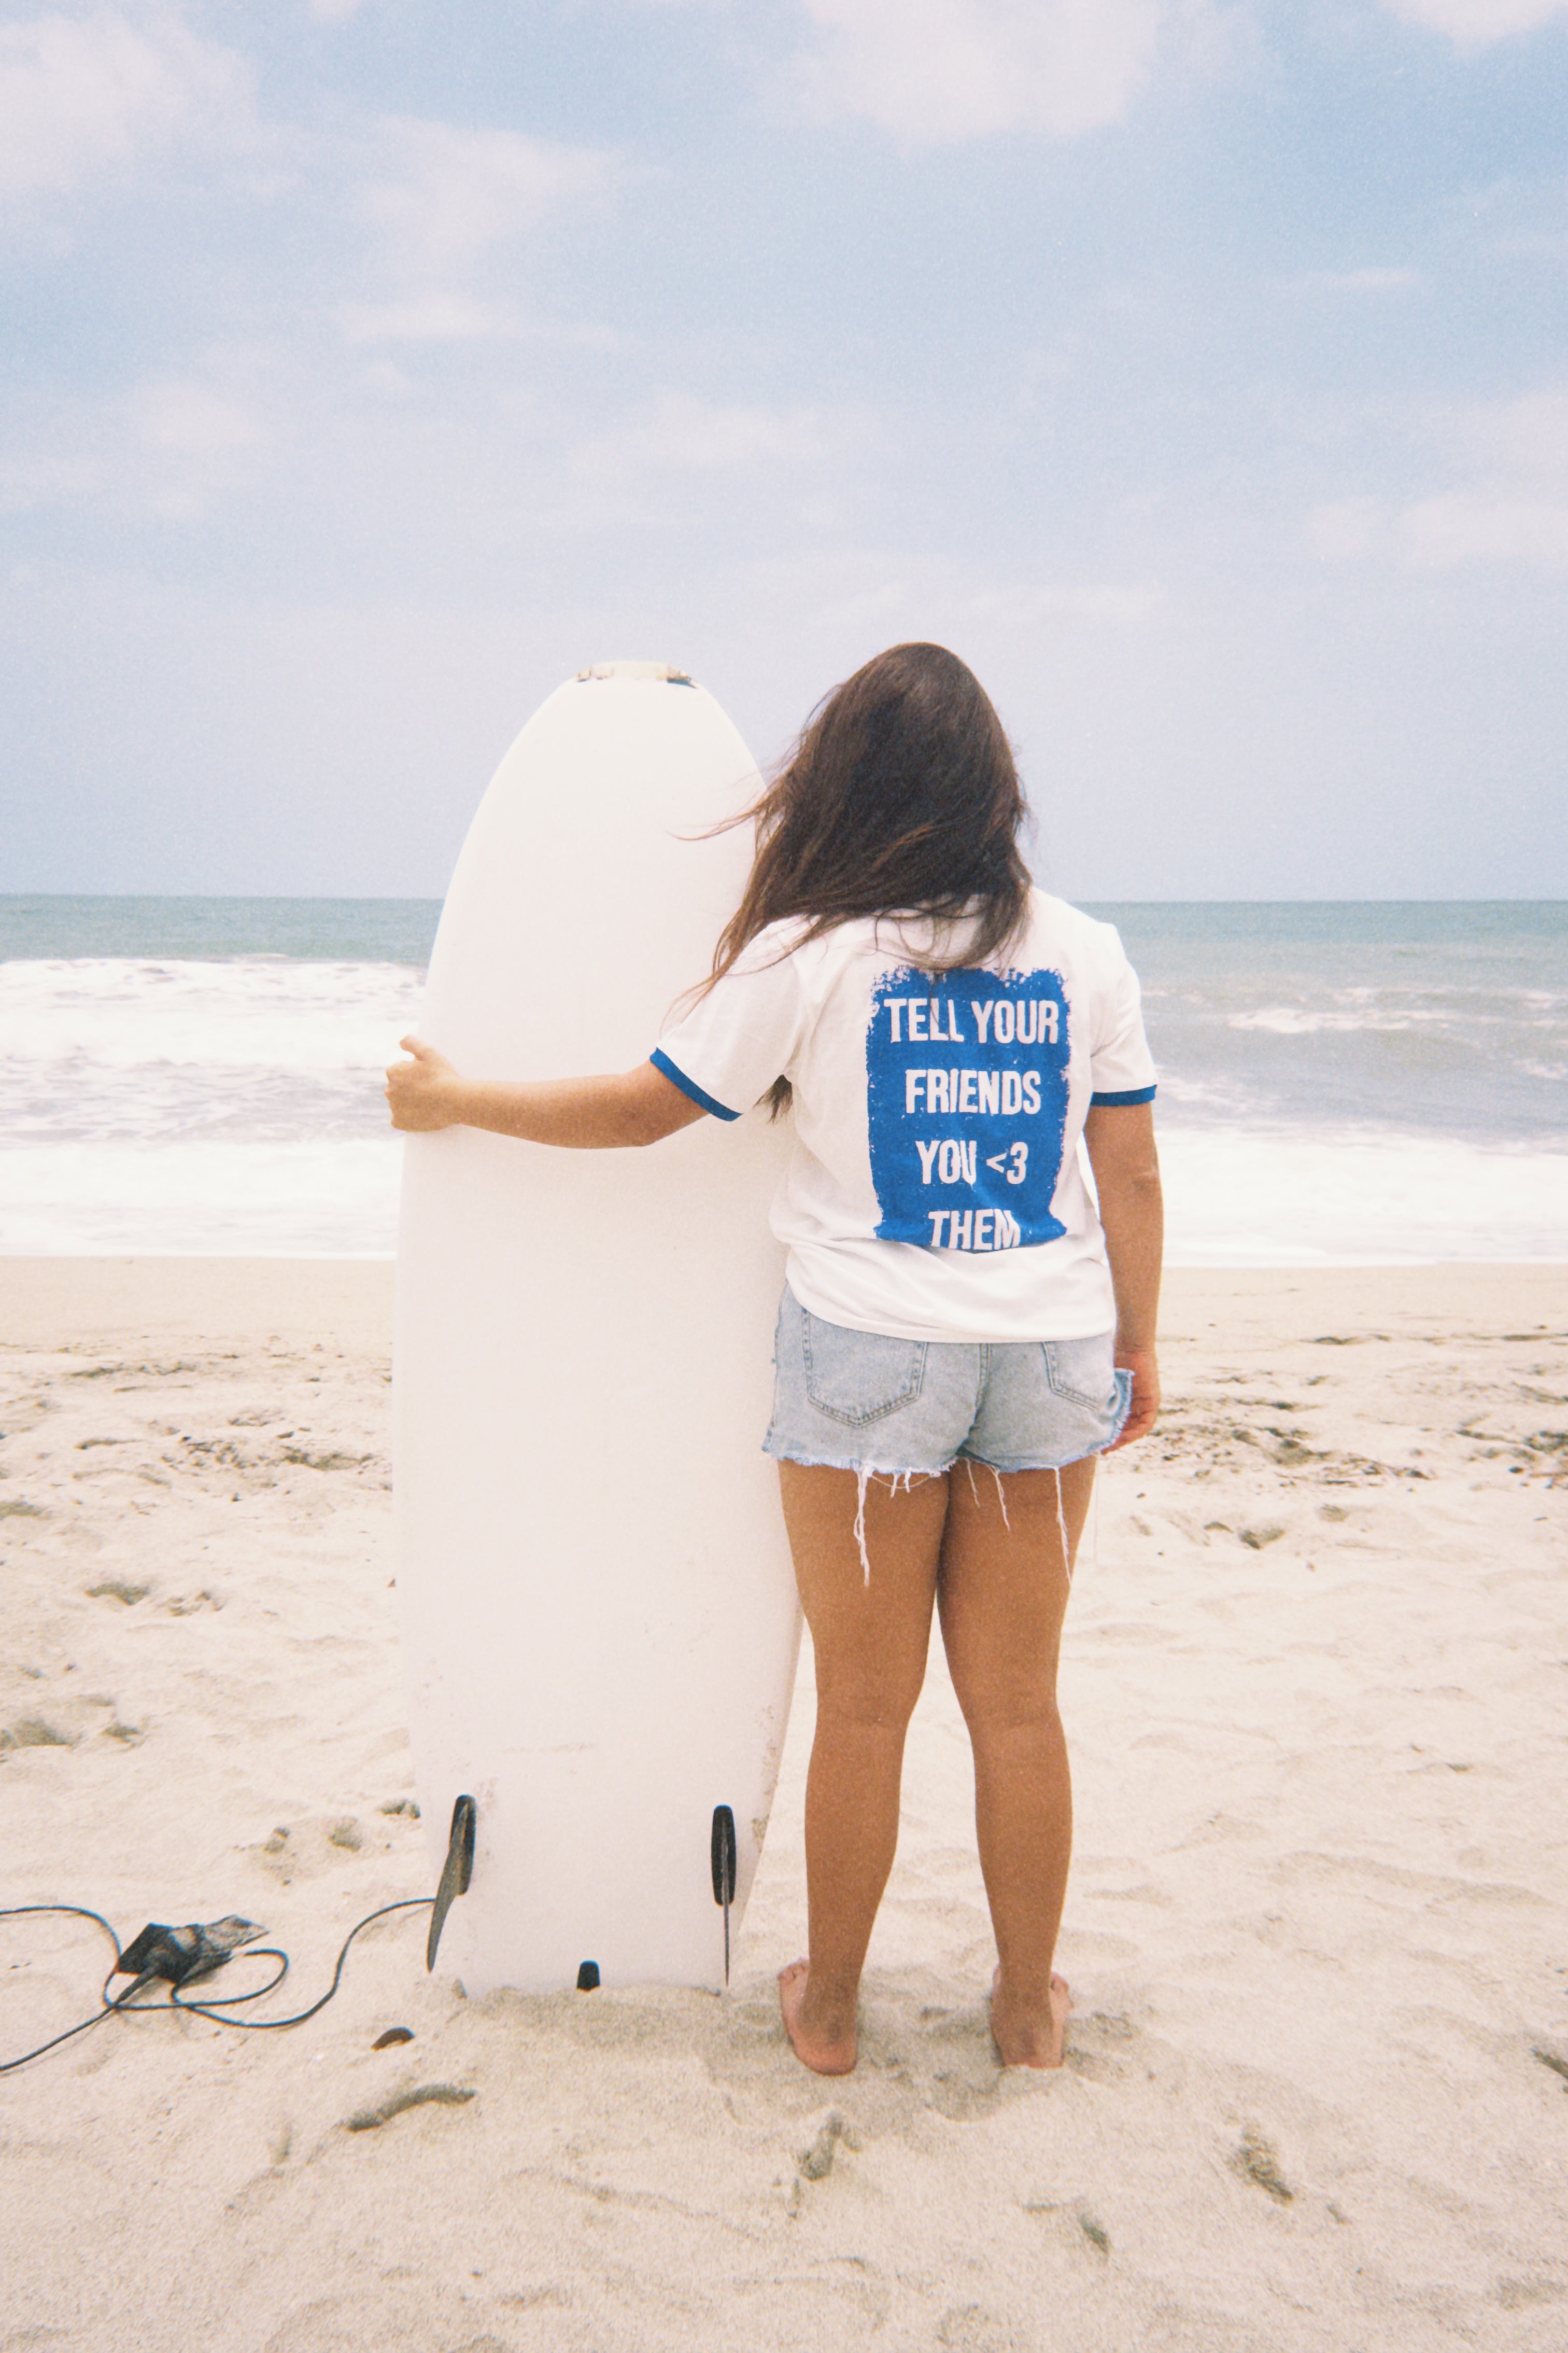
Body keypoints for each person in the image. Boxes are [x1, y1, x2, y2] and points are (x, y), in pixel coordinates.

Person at [386, 642, 1162, 2077]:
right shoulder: (1083, 951)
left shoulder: (811, 954)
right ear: (993, 789)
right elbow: (1128, 1174)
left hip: (869, 1357)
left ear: (851, 784)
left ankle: (835, 2003)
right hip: (1045, 1350)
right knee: (1018, 1706)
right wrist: (1136, 1345)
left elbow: (638, 1112)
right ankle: (1022, 2008)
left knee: (864, 1707)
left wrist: (452, 1097)